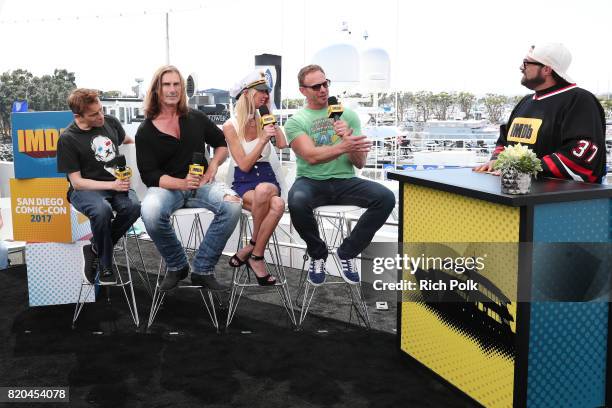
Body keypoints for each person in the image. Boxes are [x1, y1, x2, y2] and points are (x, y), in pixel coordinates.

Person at [285, 64, 396, 286]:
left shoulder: (349, 116)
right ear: (303, 90)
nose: (323, 90)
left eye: (325, 83)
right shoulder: (295, 122)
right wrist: (344, 146)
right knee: (296, 201)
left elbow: (359, 163)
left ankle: (348, 252)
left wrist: (350, 139)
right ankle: (317, 254)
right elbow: (311, 157)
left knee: (386, 198)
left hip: (346, 180)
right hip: (311, 181)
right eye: (316, 86)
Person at [136, 65, 241, 291]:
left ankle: (202, 269)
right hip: (167, 188)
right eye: (167, 85)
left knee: (232, 206)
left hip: (202, 185)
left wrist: (213, 165)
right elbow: (149, 175)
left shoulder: (196, 117)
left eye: (177, 85)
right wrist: (181, 183)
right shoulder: (145, 130)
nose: (172, 90)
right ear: (156, 89)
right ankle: (177, 265)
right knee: (150, 211)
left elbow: (222, 144)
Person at [474, 43, 606, 183]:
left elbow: (582, 153)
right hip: (515, 192)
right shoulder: (525, 101)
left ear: (546, 69)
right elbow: (505, 138)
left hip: (558, 199)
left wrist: (524, 169)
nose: (520, 68)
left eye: (526, 63)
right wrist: (496, 160)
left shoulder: (580, 100)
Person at [57, 88, 141, 284]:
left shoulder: (110, 122)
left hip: (117, 185)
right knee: (102, 210)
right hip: (85, 191)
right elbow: (77, 182)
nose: (101, 116)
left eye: (101, 110)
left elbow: (126, 140)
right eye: (94, 114)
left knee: (134, 207)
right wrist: (112, 185)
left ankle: (95, 247)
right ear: (78, 116)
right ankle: (105, 263)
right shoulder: (68, 139)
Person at [223, 70, 287, 286]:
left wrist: (271, 118)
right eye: (261, 91)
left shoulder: (265, 119)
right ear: (247, 93)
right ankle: (256, 255)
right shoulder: (230, 126)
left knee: (265, 191)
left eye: (267, 92)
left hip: (267, 176)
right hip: (245, 179)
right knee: (276, 203)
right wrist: (261, 141)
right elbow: (244, 164)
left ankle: (252, 248)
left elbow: (282, 144)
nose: (266, 95)